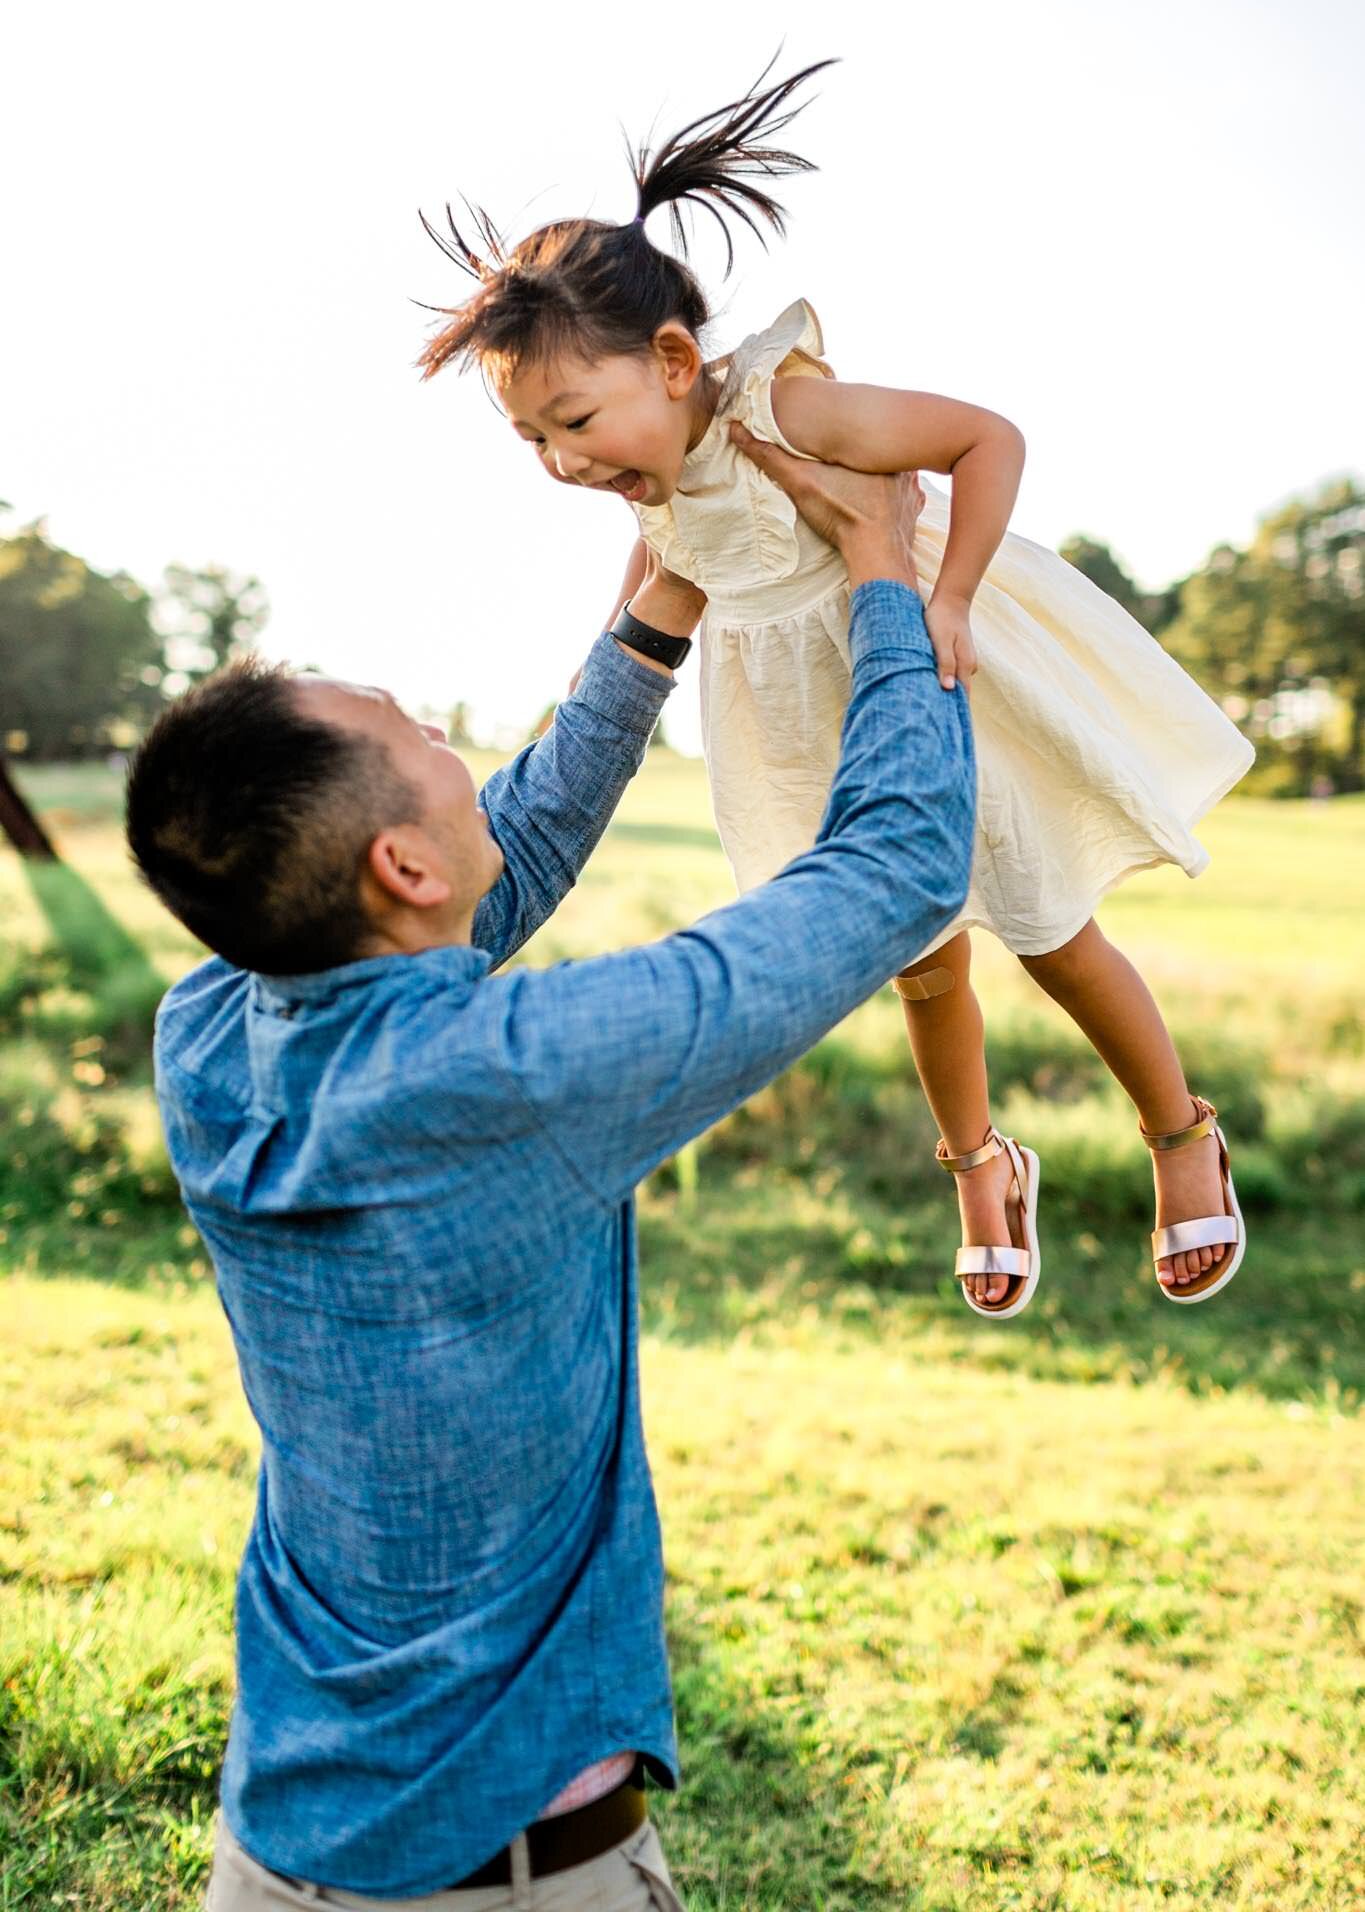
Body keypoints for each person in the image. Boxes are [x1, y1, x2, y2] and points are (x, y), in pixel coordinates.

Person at [125, 448, 973, 1908]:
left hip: (272, 1849)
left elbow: (490, 863)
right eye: (426, 734)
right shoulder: (511, 1075)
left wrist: (661, 608)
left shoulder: (208, 1030)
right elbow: (894, 868)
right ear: (396, 862)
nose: (459, 740)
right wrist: (887, 576)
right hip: (514, 1874)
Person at [418, 58, 1254, 1321]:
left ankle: (1180, 1129)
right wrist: (582, 697)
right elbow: (650, 597)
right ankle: (980, 1164)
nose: (559, 459)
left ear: (676, 357)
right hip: (809, 735)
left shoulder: (787, 406)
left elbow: (987, 436)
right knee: (918, 964)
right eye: (534, 439)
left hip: (934, 683)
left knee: (1050, 934)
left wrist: (957, 590)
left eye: (575, 419)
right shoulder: (652, 485)